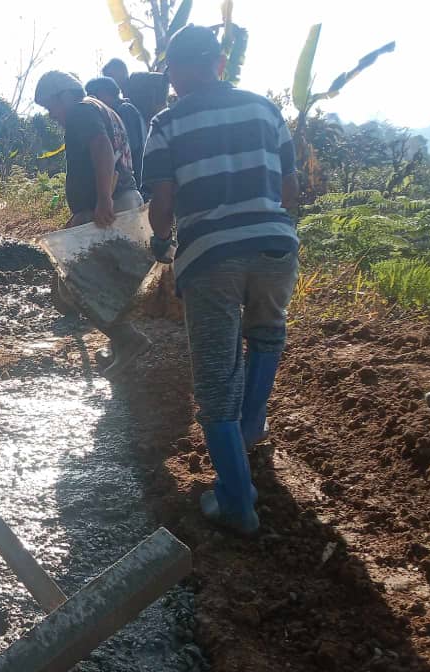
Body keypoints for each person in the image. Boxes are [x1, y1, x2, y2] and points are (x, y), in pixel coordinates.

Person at [143, 25, 300, 536]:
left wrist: (162, 244)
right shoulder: (265, 108)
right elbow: (291, 186)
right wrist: (271, 225)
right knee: (267, 332)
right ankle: (253, 424)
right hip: (277, 245)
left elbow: (162, 204)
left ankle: (236, 498)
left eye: (170, 70)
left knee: (214, 380)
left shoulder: (167, 122)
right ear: (219, 61)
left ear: (181, 68)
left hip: (212, 255)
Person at [34, 70, 150, 376]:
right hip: (119, 200)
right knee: (112, 280)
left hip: (111, 204)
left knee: (78, 285)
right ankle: (119, 345)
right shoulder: (101, 108)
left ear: (64, 96)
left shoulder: (82, 112)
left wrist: (103, 200)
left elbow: (101, 148)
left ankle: (127, 340)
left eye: (50, 107)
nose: (53, 116)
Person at [86, 76, 146, 190]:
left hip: (133, 184)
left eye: (93, 95)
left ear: (104, 93)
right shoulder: (118, 111)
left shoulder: (124, 110)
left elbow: (128, 147)